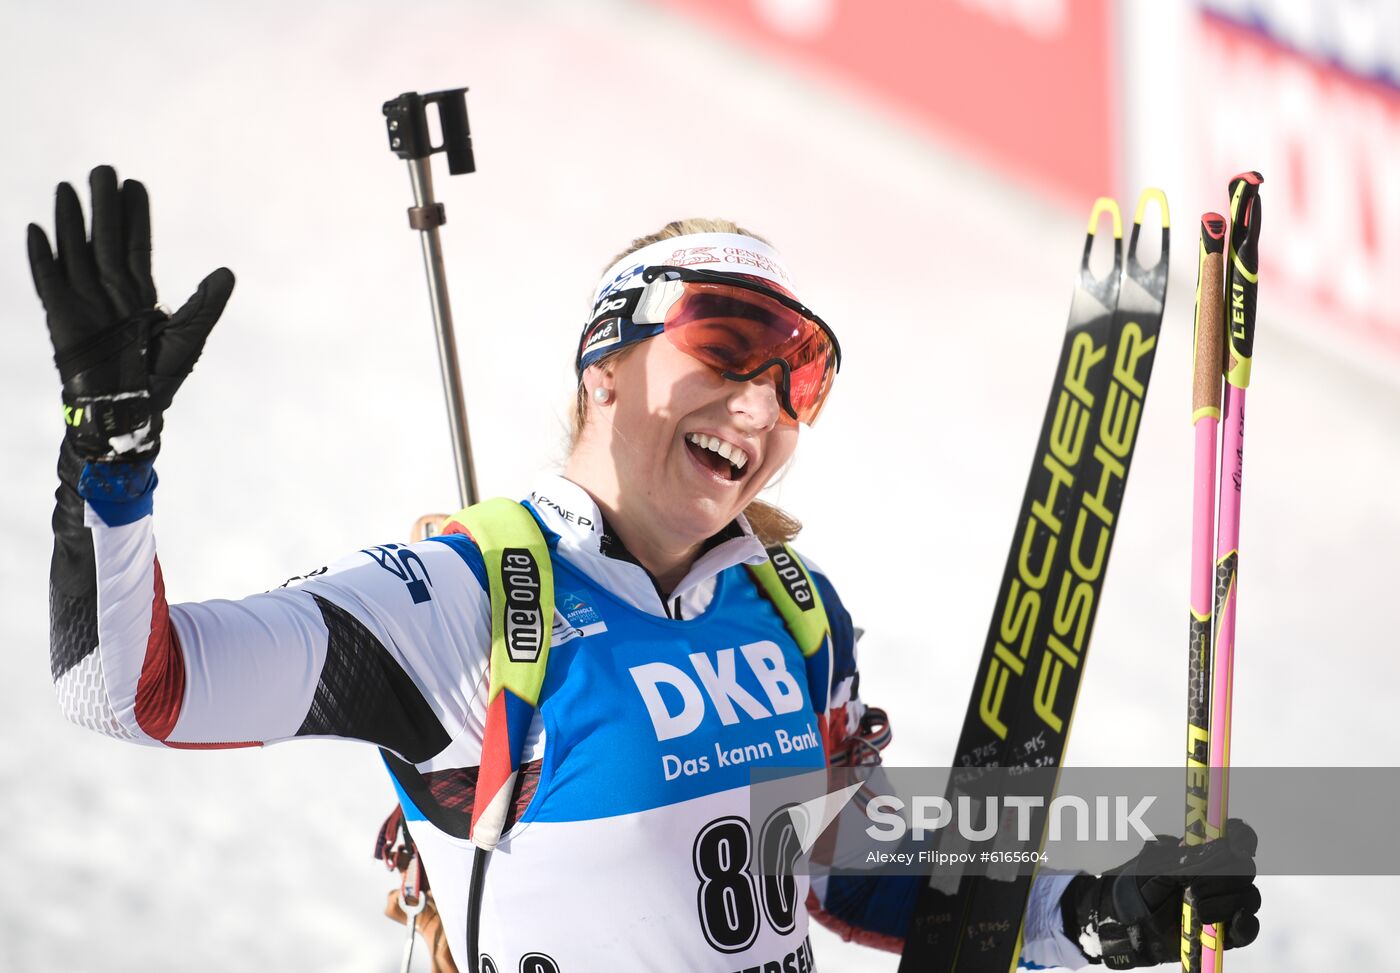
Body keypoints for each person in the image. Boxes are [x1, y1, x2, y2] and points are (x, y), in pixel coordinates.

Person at [30, 166, 1261, 971]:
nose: (761, 401)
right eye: (726, 343)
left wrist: (1083, 913)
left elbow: (841, 864)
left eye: (800, 375)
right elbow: (124, 688)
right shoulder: (466, 600)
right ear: (602, 365)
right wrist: (110, 455)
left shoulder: (792, 611)